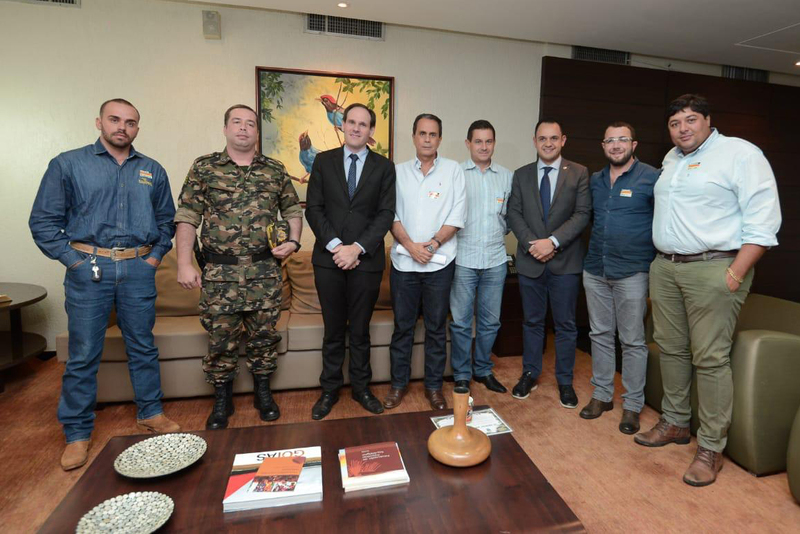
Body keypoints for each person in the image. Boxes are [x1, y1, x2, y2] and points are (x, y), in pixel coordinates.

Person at [635, 94, 781, 487]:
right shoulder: (671, 159)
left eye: (690, 120)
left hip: (714, 267)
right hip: (666, 267)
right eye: (675, 123)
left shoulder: (740, 153)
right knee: (671, 348)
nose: (682, 129)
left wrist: (735, 272)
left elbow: (764, 219)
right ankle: (675, 422)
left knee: (711, 358)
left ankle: (712, 447)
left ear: (708, 120)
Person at [29, 98, 180, 471]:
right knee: (83, 353)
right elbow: (43, 221)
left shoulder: (152, 169)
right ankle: (77, 433)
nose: (122, 127)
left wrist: (153, 259)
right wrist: (74, 262)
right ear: (99, 122)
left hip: (137, 269)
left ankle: (151, 413)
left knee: (143, 346)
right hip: (89, 270)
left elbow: (167, 220)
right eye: (114, 119)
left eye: (130, 122)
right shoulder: (68, 164)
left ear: (137, 128)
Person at [174, 104, 302, 430]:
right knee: (220, 340)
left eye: (250, 123)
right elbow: (187, 216)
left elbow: (292, 210)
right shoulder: (204, 167)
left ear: (257, 132)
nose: (243, 128)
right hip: (220, 273)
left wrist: (294, 241)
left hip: (264, 272)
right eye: (237, 122)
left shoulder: (274, 170)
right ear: (226, 129)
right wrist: (184, 263)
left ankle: (263, 394)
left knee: (264, 337)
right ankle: (222, 400)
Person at [305, 103, 396, 420]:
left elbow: (385, 213)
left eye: (364, 124)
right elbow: (314, 209)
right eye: (352, 122)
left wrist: (356, 248)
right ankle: (329, 390)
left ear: (371, 131)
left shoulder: (384, 167)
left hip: (366, 261)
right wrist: (336, 247)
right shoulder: (323, 161)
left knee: (360, 331)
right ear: (343, 125)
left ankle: (361, 388)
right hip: (328, 261)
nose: (357, 128)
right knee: (332, 330)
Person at [579, 122, 658, 434]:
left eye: (622, 139)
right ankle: (602, 395)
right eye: (610, 140)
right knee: (599, 334)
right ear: (603, 146)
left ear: (633, 144)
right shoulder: (595, 180)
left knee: (632, 341)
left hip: (632, 271)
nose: (616, 145)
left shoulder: (652, 177)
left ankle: (633, 405)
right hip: (596, 269)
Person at [507, 119, 591, 408]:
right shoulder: (521, 175)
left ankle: (565, 381)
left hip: (565, 263)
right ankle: (530, 373)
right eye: (542, 138)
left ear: (563, 140)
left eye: (554, 138)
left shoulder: (579, 172)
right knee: (532, 322)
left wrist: (552, 242)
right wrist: (534, 244)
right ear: (534, 141)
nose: (548, 143)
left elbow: (582, 214)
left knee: (566, 325)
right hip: (531, 261)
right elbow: (514, 214)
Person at [384, 113, 466, 411]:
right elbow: (390, 214)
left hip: (440, 263)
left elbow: (457, 214)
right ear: (414, 137)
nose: (427, 139)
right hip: (404, 264)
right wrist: (410, 246)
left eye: (433, 134)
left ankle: (433, 387)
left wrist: (431, 245)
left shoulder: (454, 170)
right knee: (402, 328)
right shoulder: (397, 172)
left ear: (440, 139)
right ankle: (398, 385)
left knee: (435, 329)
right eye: (422, 133)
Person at [449, 120, 513, 393]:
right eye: (478, 141)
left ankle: (483, 369)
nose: (484, 147)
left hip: (496, 260)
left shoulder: (507, 176)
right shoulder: (455, 174)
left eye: (488, 141)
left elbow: (511, 217)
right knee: (461, 323)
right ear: (468, 144)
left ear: (494, 143)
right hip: (463, 258)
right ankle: (462, 373)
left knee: (490, 322)